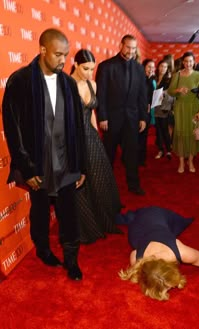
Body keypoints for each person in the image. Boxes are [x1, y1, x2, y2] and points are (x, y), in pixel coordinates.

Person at [2, 28, 86, 281]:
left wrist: (81, 166)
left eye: (66, 55)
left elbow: (79, 129)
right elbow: (13, 130)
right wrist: (26, 169)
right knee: (39, 213)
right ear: (42, 50)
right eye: (58, 54)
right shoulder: (20, 81)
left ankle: (72, 259)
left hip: (67, 164)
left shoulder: (69, 84)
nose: (63, 60)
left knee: (69, 216)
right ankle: (43, 250)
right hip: (37, 166)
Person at [117, 206, 199, 301]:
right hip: (138, 227)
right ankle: (133, 216)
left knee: (182, 222)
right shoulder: (136, 258)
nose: (172, 287)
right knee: (132, 220)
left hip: (157, 215)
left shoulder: (181, 252)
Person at [70, 49, 122, 243]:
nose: (89, 73)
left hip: (90, 137)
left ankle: (104, 218)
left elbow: (91, 113)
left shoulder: (92, 84)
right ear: (75, 64)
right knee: (81, 183)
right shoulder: (67, 86)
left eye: (92, 69)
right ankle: (89, 225)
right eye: (85, 69)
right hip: (74, 139)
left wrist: (97, 135)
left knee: (99, 178)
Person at [96, 34, 148, 196]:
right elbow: (101, 94)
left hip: (132, 120)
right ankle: (106, 187)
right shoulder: (106, 66)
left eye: (133, 48)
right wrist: (102, 116)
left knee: (132, 154)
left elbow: (142, 95)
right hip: (111, 120)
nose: (131, 51)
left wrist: (143, 118)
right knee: (109, 155)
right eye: (128, 47)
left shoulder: (139, 68)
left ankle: (134, 185)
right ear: (121, 45)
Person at [168, 52, 199, 173]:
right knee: (180, 134)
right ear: (183, 62)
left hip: (194, 108)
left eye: (190, 61)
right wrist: (178, 90)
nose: (188, 64)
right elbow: (170, 91)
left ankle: (190, 161)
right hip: (180, 108)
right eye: (186, 61)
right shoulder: (177, 75)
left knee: (192, 134)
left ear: (194, 62)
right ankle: (181, 162)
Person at [154, 60, 174, 160]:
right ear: (158, 67)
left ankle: (169, 150)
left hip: (164, 108)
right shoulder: (154, 78)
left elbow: (172, 93)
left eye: (165, 67)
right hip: (154, 107)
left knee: (165, 130)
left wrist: (164, 93)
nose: (163, 69)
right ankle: (160, 150)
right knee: (158, 130)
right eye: (161, 66)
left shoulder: (168, 80)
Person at [138, 58, 156, 166]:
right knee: (137, 136)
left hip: (148, 112)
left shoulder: (152, 80)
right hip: (139, 112)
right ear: (144, 67)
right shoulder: (139, 79)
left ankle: (141, 158)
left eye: (153, 67)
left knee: (144, 136)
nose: (151, 69)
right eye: (149, 66)